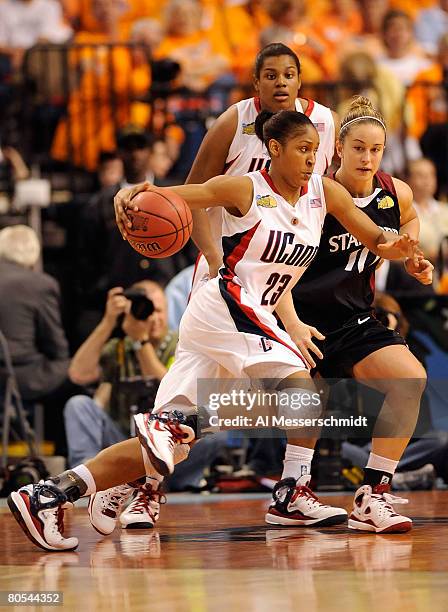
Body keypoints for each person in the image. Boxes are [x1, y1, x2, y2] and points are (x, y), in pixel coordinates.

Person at [7, 109, 419, 551]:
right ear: (274, 149)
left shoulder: (323, 193)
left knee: (172, 441)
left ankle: (47, 494)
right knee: (302, 393)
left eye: (314, 151)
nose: (310, 160)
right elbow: (191, 194)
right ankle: (289, 493)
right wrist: (136, 194)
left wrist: (403, 248)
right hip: (227, 303)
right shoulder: (248, 187)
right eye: (302, 150)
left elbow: (378, 239)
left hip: (241, 317)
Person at [292, 96, 434, 533]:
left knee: (410, 380)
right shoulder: (313, 192)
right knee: (229, 406)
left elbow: (407, 224)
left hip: (354, 319)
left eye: (375, 149)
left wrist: (413, 258)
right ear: (339, 148)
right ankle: (291, 489)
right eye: (358, 148)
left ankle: (373, 493)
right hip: (299, 317)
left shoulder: (395, 192)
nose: (367, 157)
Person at [186, 42, 338, 288]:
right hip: (228, 257)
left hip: (293, 263)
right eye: (271, 76)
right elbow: (193, 194)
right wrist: (214, 256)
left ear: (299, 81)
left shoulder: (327, 122)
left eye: (289, 75)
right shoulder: (233, 121)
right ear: (256, 82)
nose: (281, 82)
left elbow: (345, 184)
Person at [0, 225, 74, 452]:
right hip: (20, 376)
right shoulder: (40, 284)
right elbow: (56, 344)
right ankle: (67, 461)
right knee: (75, 373)